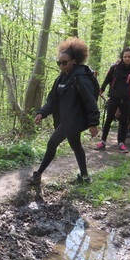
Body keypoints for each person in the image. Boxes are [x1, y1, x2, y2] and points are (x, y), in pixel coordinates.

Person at [27, 37, 100, 186]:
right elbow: (52, 100)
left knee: (52, 143)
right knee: (76, 146)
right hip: (66, 119)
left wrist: (94, 123)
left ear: (74, 61)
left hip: (75, 120)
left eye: (64, 62)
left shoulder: (80, 77)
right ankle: (85, 177)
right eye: (59, 62)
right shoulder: (61, 78)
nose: (61, 65)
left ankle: (38, 174)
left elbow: (90, 101)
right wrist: (42, 113)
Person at [95, 48, 130, 153]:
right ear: (122, 57)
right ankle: (103, 142)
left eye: (129, 57)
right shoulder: (114, 68)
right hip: (114, 97)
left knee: (124, 121)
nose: (127, 59)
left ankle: (121, 143)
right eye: (125, 57)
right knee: (109, 119)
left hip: (126, 98)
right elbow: (107, 79)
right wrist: (102, 89)